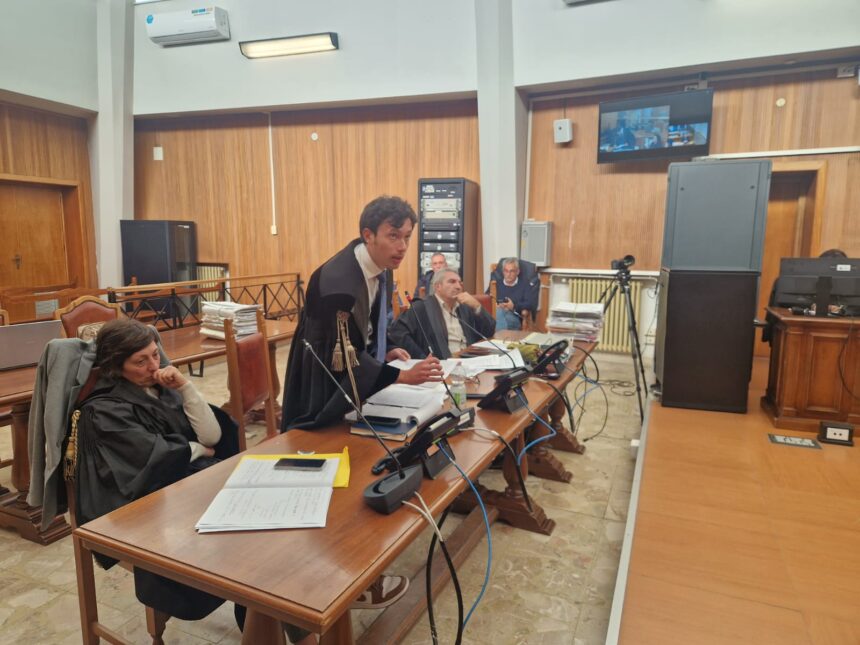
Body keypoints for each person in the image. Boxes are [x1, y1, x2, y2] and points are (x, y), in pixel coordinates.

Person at [72, 318, 241, 622]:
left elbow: (212, 436)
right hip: (147, 510)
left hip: (185, 486)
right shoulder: (104, 410)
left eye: (155, 354)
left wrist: (186, 387)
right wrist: (196, 450)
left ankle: (256, 610)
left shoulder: (162, 388)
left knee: (252, 532)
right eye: (141, 361)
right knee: (240, 546)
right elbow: (152, 460)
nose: (154, 366)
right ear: (116, 366)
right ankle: (255, 607)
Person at [281, 195, 443, 431]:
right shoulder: (337, 285)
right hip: (326, 388)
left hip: (360, 380)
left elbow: (368, 325)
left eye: (407, 236)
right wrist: (402, 376)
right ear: (368, 235)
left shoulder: (383, 265)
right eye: (393, 236)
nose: (403, 247)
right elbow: (342, 358)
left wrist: (385, 348)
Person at [390, 268, 495, 359]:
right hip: (442, 365)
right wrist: (421, 357)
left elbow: (489, 331)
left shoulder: (465, 307)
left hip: (469, 359)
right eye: (452, 282)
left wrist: (477, 307)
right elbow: (398, 333)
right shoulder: (421, 308)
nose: (458, 286)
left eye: (460, 283)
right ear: (438, 287)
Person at [493, 258, 538, 331]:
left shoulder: (525, 285)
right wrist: (495, 304)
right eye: (506, 271)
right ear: (503, 271)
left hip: (514, 316)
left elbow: (530, 303)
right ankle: (501, 336)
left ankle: (498, 336)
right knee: (498, 313)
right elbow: (487, 297)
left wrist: (514, 306)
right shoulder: (496, 284)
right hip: (497, 314)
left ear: (517, 272)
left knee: (498, 315)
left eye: (512, 271)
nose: (508, 274)